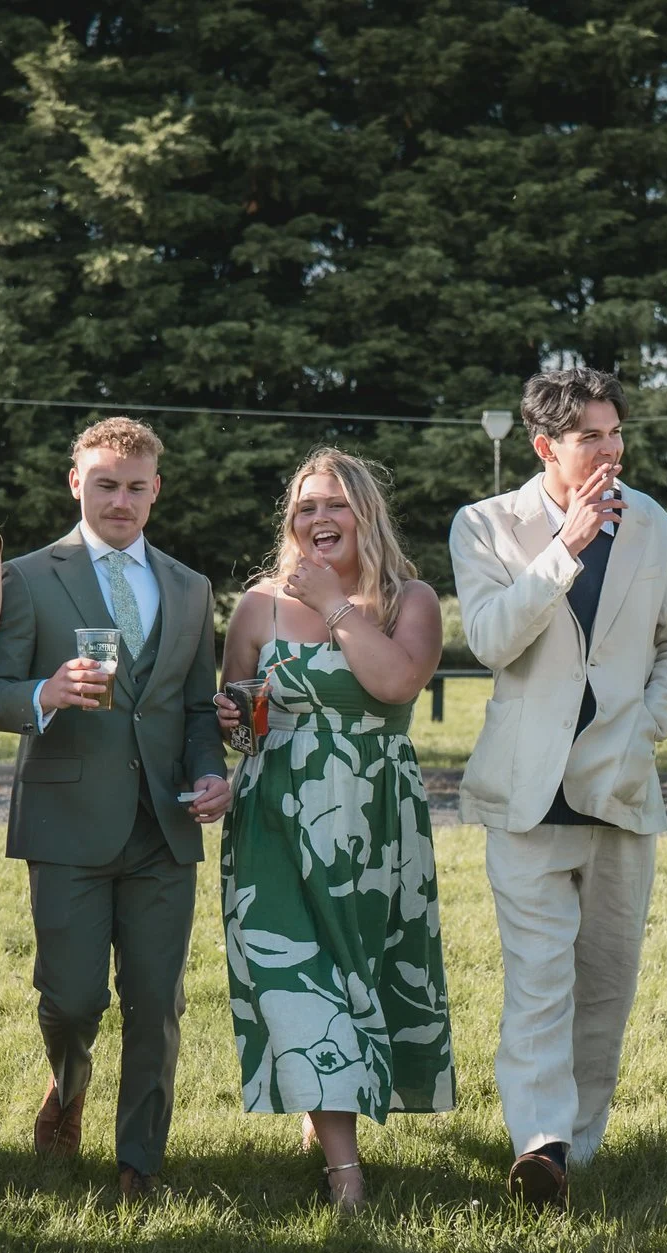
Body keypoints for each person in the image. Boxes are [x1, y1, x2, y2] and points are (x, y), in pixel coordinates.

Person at [448, 368, 667, 1208]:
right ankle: (541, 1145)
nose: (611, 449)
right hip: (524, 793)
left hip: (620, 787)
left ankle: (578, 1149)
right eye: (590, 435)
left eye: (616, 432)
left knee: (604, 985)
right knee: (536, 980)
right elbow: (490, 639)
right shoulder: (487, 525)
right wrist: (566, 547)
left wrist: (647, 726)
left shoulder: (657, 526)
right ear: (544, 446)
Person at [0, 417, 229, 1202]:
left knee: (157, 1001)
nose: (121, 499)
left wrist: (214, 773)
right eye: (106, 483)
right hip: (68, 821)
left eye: (136, 485)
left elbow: (195, 709)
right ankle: (69, 1079)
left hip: (166, 824)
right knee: (72, 995)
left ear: (157, 488)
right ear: (75, 482)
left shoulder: (190, 589)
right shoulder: (26, 577)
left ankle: (139, 1164)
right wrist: (44, 693)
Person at [214, 449, 454, 1212]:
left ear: (366, 514)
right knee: (296, 977)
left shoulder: (408, 599)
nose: (319, 519)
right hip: (275, 821)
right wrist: (235, 721)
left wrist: (336, 605)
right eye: (306, 507)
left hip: (374, 823)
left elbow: (394, 683)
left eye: (335, 505)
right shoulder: (256, 607)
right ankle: (345, 1175)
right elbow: (240, 720)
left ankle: (331, 1117)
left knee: (365, 975)